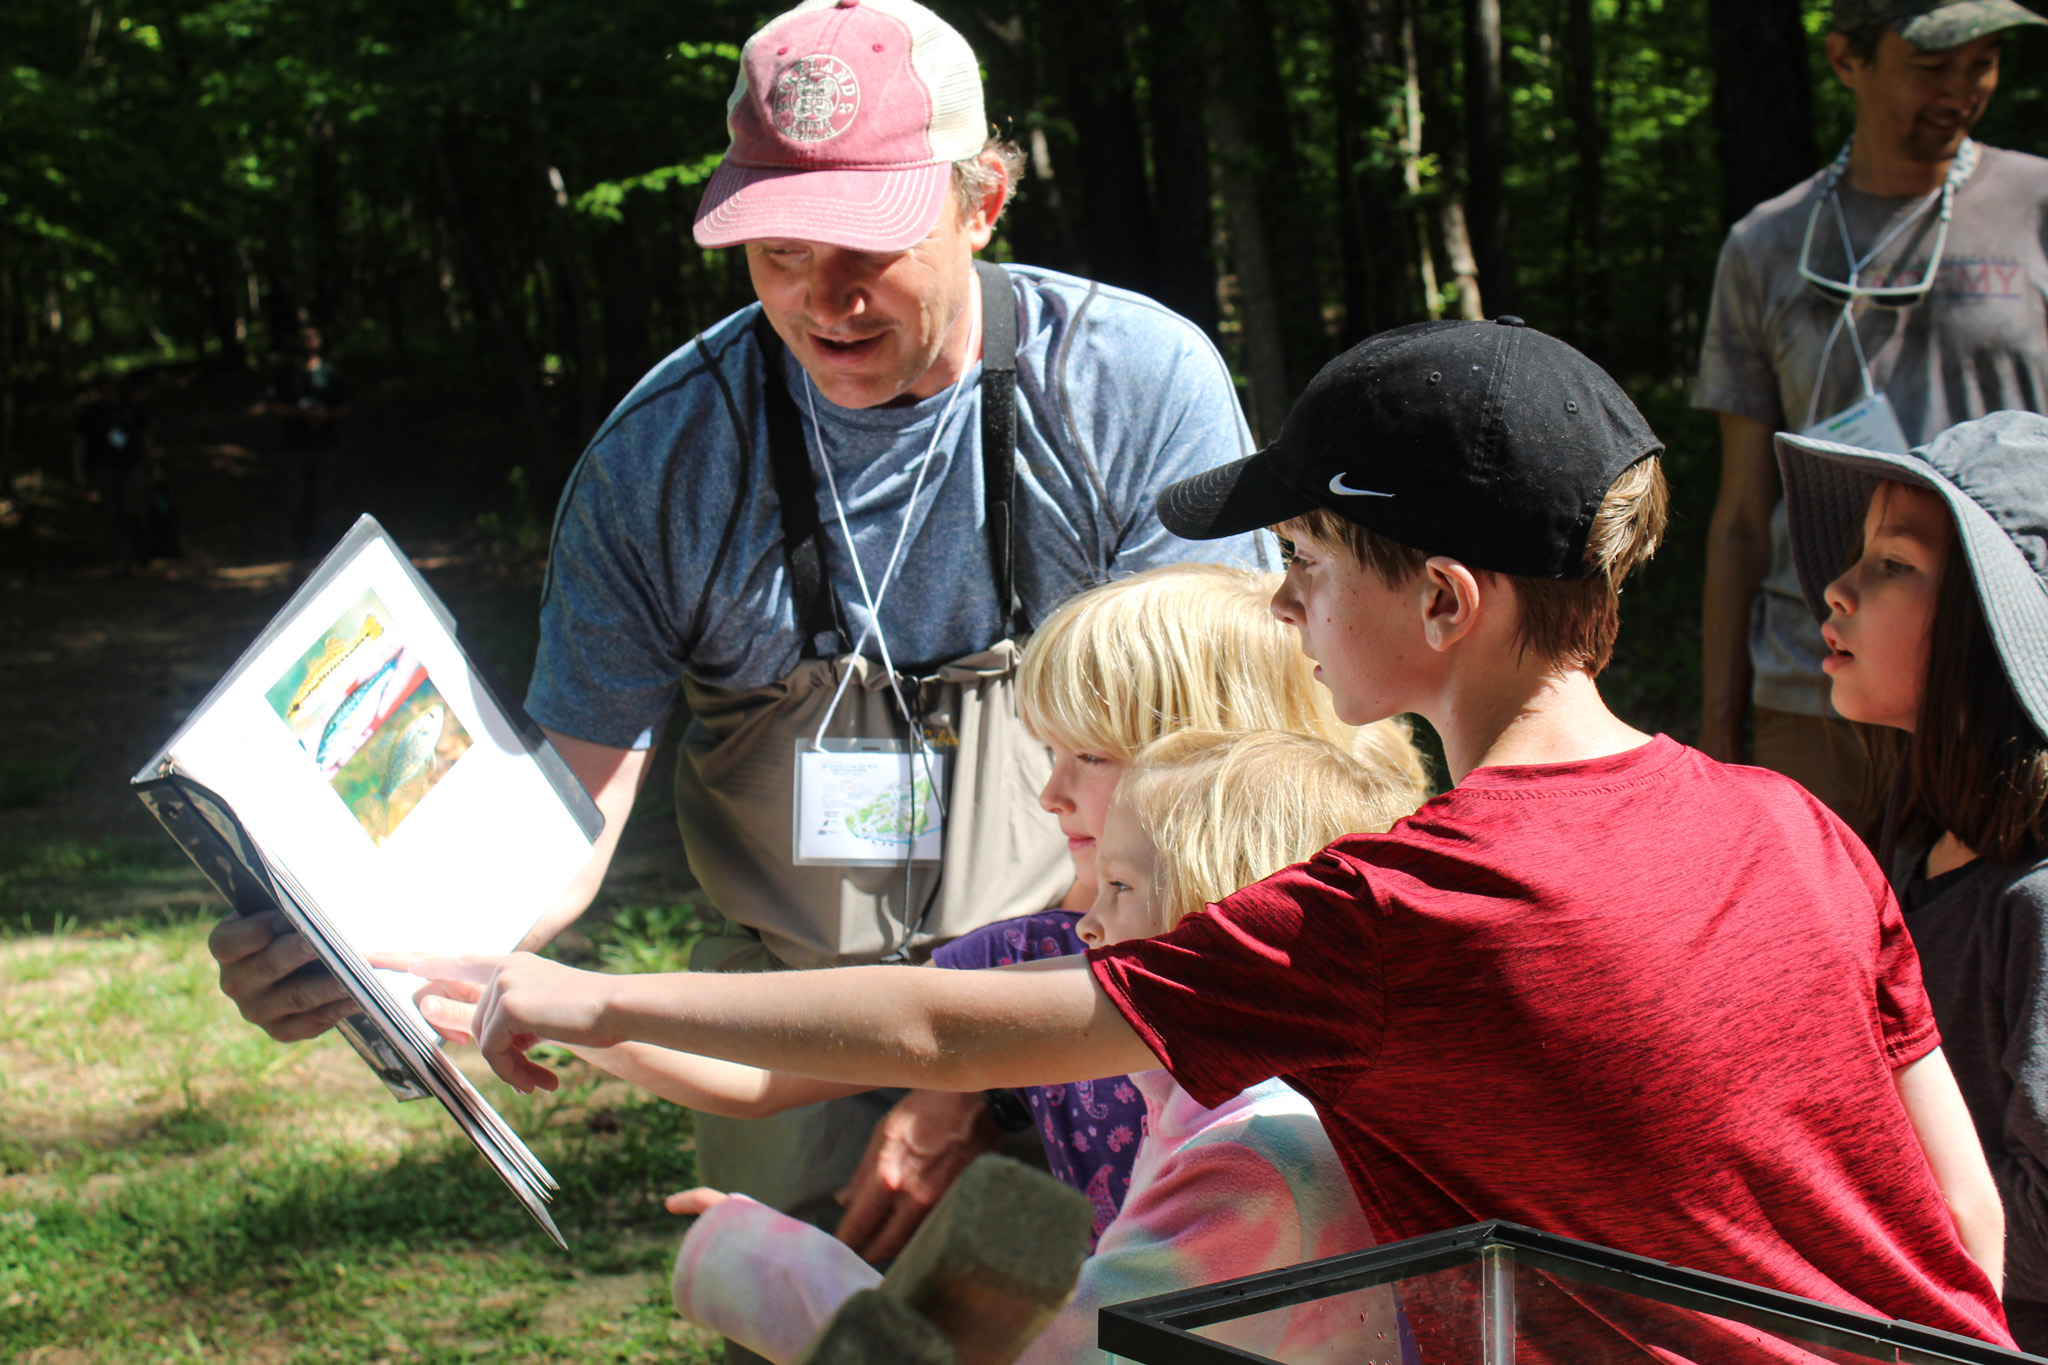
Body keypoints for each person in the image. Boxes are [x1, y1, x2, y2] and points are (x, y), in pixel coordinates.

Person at [399, 320, 2015, 1356]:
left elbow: (937, 1023)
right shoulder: (1792, 823)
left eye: (1311, 558)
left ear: (1444, 604)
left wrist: (585, 998)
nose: (1284, 597)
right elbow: (1968, 1226)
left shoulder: (1406, 906)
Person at [206, 0, 1267, 1284]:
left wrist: (965, 1078)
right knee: (809, 1318)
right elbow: (565, 821)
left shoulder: (1131, 389)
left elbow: (1214, 790)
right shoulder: (657, 461)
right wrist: (367, 955)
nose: (822, 297)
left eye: (866, 241)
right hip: (777, 1018)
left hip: (1090, 989)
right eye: (774, 246)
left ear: (980, 198)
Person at [389, 564, 1425, 1247]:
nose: (1048, 794)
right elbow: (762, 1068)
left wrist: (599, 1004)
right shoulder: (1047, 949)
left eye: (1089, 759)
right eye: (1047, 754)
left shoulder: (1350, 937)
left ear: (1210, 764)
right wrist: (547, 1006)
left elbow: (926, 1030)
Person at [661, 729, 1415, 1365]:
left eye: (1118, 887)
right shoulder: (1233, 1112)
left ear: (1215, 924)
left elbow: (1064, 1357)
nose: (1087, 925)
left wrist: (763, 1262)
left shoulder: (1253, 1159)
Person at [1696, 0, 2048, 823]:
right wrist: (1721, 732)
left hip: (2001, 676)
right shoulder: (1767, 246)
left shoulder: (2038, 205)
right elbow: (1743, 513)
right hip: (1815, 679)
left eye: (1984, 60)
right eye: (1932, 66)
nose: (1963, 89)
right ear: (1846, 59)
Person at [1777, 410, 2048, 1351]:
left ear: (1985, 621)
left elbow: (2044, 1223)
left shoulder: (2037, 900)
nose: (1836, 590)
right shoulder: (1909, 836)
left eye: (1892, 564)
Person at [259, 323, 351, 556]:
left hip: (326, 446)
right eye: (303, 339)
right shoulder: (285, 374)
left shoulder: (330, 372)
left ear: (319, 341)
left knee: (326, 499)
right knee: (296, 499)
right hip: (294, 447)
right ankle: (300, 547)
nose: (307, 343)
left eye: (312, 338)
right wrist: (299, 413)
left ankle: (327, 549)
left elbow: (347, 405)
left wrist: (326, 415)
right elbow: (272, 406)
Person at [71, 376, 160, 569]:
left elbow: (146, 437)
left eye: (110, 386)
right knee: (113, 512)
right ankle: (121, 557)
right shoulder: (92, 413)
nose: (108, 391)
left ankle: (140, 553)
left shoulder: (131, 409)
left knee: (134, 509)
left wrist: (153, 465)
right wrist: (79, 470)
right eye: (103, 387)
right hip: (105, 469)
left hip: (132, 466)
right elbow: (80, 442)